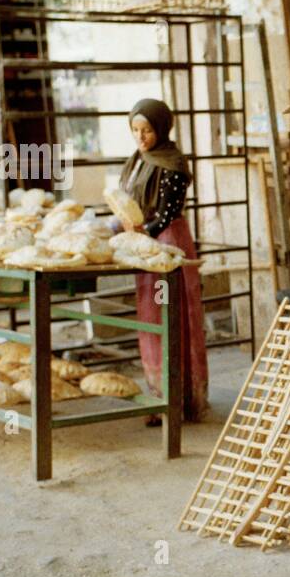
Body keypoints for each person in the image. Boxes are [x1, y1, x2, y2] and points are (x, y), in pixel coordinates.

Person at [112, 98, 210, 424]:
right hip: (147, 246)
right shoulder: (138, 161)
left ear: (162, 129)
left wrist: (141, 233)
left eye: (147, 130)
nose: (141, 137)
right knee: (152, 316)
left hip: (167, 246)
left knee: (174, 316)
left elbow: (166, 214)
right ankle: (159, 398)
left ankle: (181, 400)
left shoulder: (172, 164)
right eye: (135, 130)